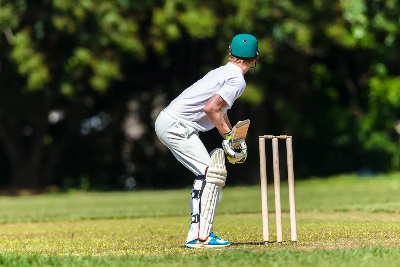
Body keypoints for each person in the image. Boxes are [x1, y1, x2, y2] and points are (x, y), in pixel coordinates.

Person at [155, 33, 259, 248]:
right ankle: (199, 236)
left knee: (209, 174)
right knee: (209, 174)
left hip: (171, 122)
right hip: (177, 126)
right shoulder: (237, 79)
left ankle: (201, 233)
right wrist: (230, 138)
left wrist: (232, 138)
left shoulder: (222, 71)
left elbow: (220, 110)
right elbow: (210, 108)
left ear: (230, 53)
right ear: (254, 59)